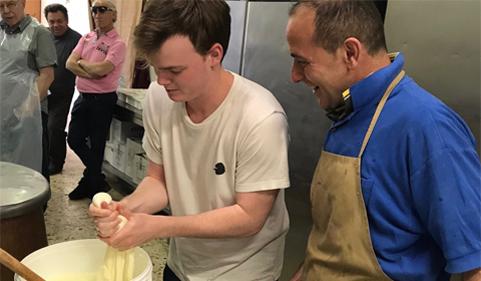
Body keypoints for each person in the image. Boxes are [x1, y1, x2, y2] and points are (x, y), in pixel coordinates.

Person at [89, 0, 290, 280]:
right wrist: (126, 209)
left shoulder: (260, 118)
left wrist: (158, 226)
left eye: (175, 71)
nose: (162, 81)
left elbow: (249, 217)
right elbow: (159, 181)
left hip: (242, 270)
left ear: (214, 55)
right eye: (157, 69)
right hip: (183, 262)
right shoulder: (160, 98)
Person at [285, 1, 481, 281]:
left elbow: (475, 264)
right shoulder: (346, 114)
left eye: (302, 61)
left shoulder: (428, 126)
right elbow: (329, 243)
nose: (294, 76)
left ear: (350, 52)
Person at [65, 0, 126, 200]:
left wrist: (82, 64)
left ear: (114, 15)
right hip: (83, 97)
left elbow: (104, 69)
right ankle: (96, 178)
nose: (97, 14)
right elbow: (69, 64)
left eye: (103, 10)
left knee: (97, 144)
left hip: (103, 101)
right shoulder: (86, 37)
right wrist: (90, 69)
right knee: (73, 138)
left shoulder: (118, 43)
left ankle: (89, 182)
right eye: (94, 10)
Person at [0, 0, 56, 179]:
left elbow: (47, 76)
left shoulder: (38, 33)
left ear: (23, 2)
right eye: (1, 6)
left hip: (29, 113)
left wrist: (26, 108)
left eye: (11, 4)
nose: (6, 11)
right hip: (2, 111)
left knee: (32, 165)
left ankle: (36, 206)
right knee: (6, 164)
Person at [44, 4, 81, 176]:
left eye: (59, 21)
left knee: (54, 127)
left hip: (62, 93)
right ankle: (44, 158)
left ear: (66, 20)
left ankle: (57, 162)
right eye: (51, 22)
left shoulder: (77, 39)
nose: (55, 25)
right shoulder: (43, 36)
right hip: (43, 91)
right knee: (43, 127)